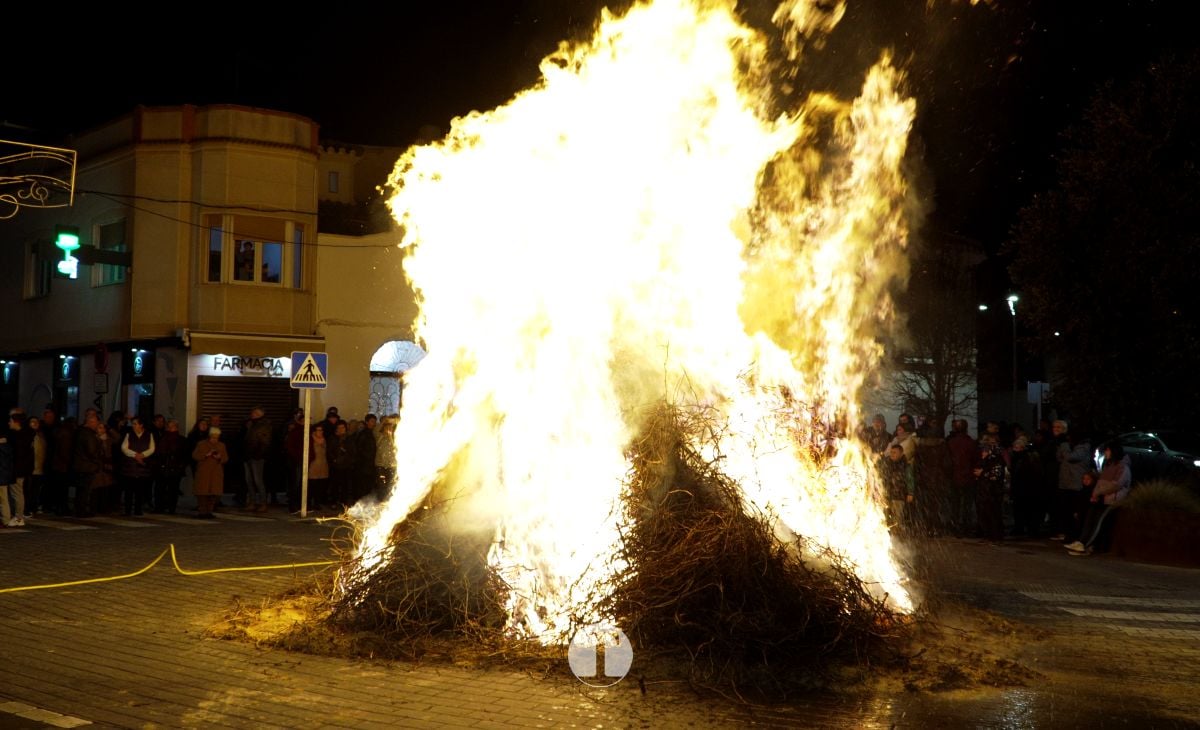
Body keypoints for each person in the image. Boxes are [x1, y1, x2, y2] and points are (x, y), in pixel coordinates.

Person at [1066, 443, 1132, 556]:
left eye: (1107, 450)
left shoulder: (1122, 467)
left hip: (1111, 499)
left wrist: (1099, 492)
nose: (1105, 453)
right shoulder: (1107, 466)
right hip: (1101, 498)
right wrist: (1095, 494)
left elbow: (1116, 485)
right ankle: (1081, 541)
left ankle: (1087, 545)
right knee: (1089, 520)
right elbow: (1100, 482)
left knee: (1098, 523)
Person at [973, 435, 1007, 542]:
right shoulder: (986, 458)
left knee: (994, 514)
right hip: (984, 491)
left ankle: (996, 536)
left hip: (993, 491)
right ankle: (987, 535)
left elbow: (996, 474)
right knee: (985, 514)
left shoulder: (997, 458)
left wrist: (982, 473)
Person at [1009, 435, 1044, 538]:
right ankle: (1026, 529)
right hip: (1025, 488)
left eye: (1016, 447)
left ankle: (1027, 529)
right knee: (1024, 510)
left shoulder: (1025, 458)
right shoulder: (1022, 458)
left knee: (1025, 510)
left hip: (1026, 488)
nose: (1014, 449)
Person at [120, 416, 156, 516]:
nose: (134, 426)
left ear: (141, 425)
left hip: (142, 467)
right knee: (129, 491)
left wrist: (143, 455)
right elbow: (124, 448)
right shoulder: (129, 434)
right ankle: (127, 510)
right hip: (130, 467)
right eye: (133, 424)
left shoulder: (149, 434)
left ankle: (138, 509)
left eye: (135, 424)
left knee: (140, 491)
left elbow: (152, 448)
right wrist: (135, 455)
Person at [192, 427, 228, 519]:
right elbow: (195, 456)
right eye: (213, 437)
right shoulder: (201, 444)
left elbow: (226, 458)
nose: (215, 439)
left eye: (216, 438)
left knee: (213, 493)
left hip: (216, 472)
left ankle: (209, 511)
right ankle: (202, 512)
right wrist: (206, 455)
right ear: (209, 436)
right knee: (202, 494)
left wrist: (219, 457)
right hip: (204, 472)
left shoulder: (221, 445)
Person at [242, 406, 272, 512]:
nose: (252, 414)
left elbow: (265, 442)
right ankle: (252, 502)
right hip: (249, 456)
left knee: (258, 480)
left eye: (254, 412)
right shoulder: (251, 424)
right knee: (249, 480)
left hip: (257, 457)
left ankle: (263, 503)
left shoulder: (263, 425)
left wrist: (258, 455)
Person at [154, 419, 187, 514]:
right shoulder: (162, 439)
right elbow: (158, 453)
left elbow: (185, 455)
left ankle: (171, 508)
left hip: (175, 469)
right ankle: (159, 507)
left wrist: (181, 466)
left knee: (173, 490)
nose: (169, 428)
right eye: (168, 426)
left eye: (172, 426)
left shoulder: (182, 440)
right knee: (160, 489)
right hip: (162, 468)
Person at [880, 443, 915, 532]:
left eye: (895, 452)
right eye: (891, 452)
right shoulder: (887, 464)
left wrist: (910, 493)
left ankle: (897, 535)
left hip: (899, 496)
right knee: (886, 516)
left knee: (897, 518)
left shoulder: (906, 466)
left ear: (901, 453)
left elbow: (910, 480)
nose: (892, 454)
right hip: (888, 495)